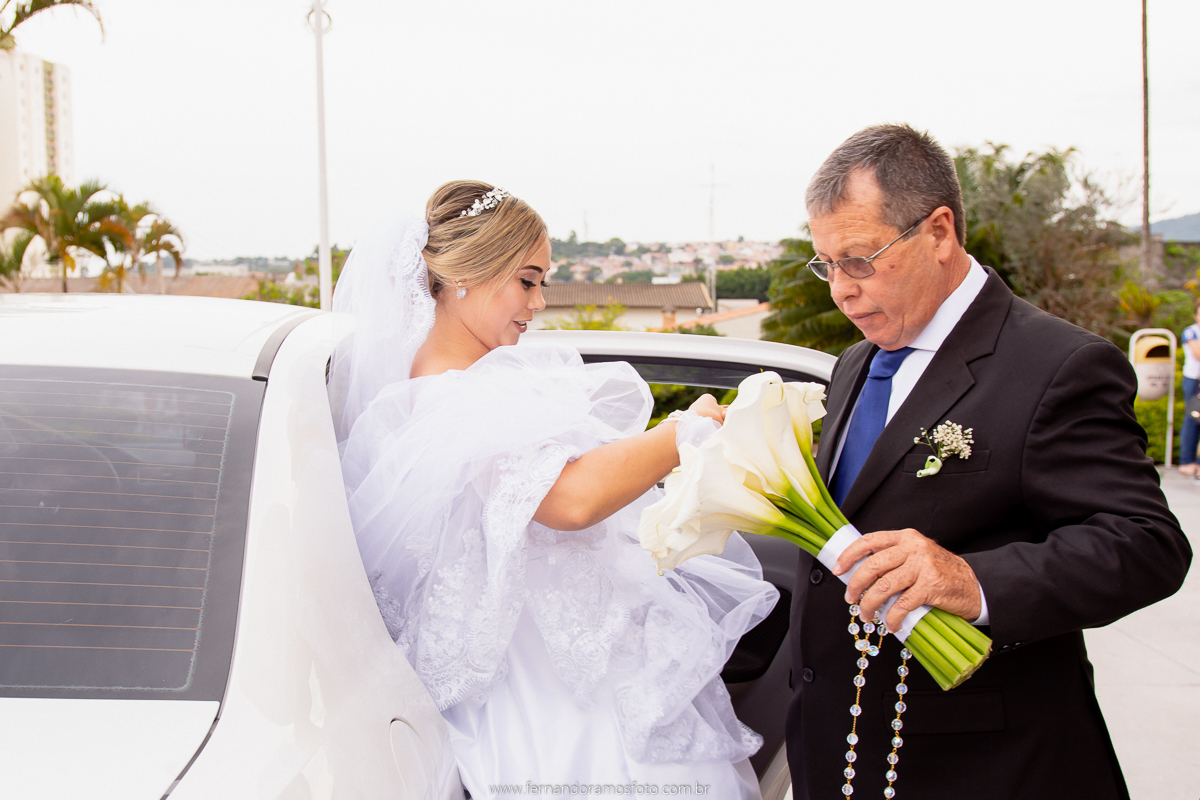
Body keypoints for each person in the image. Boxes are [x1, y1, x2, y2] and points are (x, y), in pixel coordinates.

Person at [329, 181, 776, 799]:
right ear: (467, 275)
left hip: (559, 665)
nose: (538, 302)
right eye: (528, 280)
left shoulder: (459, 385)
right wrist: (683, 431)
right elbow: (568, 500)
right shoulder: (450, 397)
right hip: (543, 689)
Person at [785, 125, 1191, 800]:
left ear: (939, 232)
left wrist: (971, 580)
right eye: (825, 264)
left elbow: (1147, 545)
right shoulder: (856, 364)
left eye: (859, 259)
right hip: (845, 758)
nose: (841, 290)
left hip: (985, 770)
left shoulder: (1059, 366)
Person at [1178, 298, 1200, 474]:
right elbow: (1197, 353)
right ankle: (1186, 461)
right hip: (1194, 380)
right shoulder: (1191, 332)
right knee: (1193, 418)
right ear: (1195, 315)